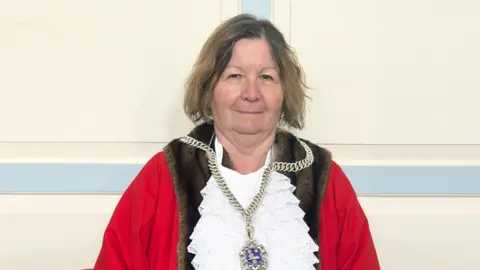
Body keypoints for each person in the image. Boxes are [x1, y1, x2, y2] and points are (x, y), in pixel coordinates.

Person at [92, 13, 381, 270]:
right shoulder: (164, 175)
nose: (251, 93)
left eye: (267, 76)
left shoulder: (324, 178)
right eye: (234, 76)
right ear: (209, 88)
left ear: (284, 91)